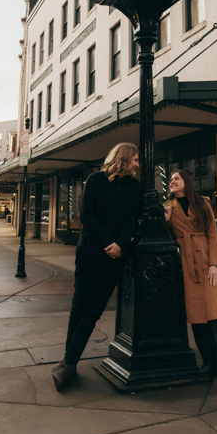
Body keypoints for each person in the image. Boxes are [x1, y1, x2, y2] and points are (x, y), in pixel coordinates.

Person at [52, 142, 141, 391]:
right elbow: (86, 215)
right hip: (90, 252)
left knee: (92, 310)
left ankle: (67, 363)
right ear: (124, 158)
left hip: (114, 258)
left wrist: (121, 245)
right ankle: (69, 362)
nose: (137, 164)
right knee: (78, 306)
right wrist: (109, 242)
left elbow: (132, 220)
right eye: (135, 159)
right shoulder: (95, 180)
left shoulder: (135, 187)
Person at [164, 169, 217, 376]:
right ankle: (209, 362)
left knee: (215, 315)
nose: (172, 181)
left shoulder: (203, 203)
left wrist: (214, 265)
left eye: (176, 178)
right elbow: (166, 239)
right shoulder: (168, 208)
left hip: (206, 265)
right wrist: (165, 221)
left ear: (187, 181)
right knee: (198, 317)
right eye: (171, 179)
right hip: (185, 264)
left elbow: (212, 234)